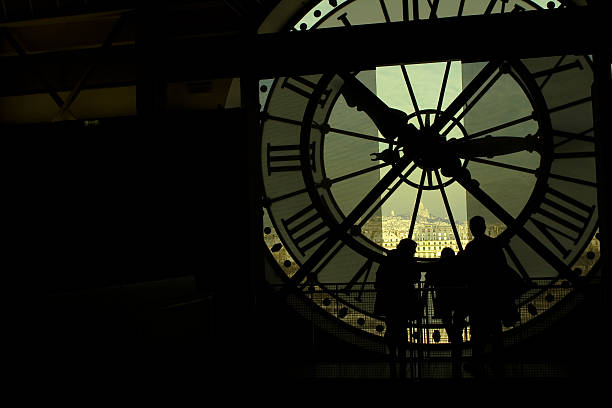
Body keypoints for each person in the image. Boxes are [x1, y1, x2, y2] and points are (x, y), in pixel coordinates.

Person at [462, 215, 506, 378]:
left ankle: (478, 363)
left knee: (478, 334)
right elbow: (502, 269)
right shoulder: (494, 246)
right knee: (496, 331)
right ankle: (498, 362)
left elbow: (466, 271)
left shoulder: (471, 248)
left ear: (472, 229)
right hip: (493, 296)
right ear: (485, 227)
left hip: (477, 297)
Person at [374, 238, 422, 379]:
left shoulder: (389, 261)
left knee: (392, 328)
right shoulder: (409, 262)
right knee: (401, 330)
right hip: (404, 301)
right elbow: (416, 277)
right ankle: (401, 357)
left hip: (390, 300)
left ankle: (393, 356)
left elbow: (380, 280)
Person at [425, 247, 468, 378]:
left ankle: (455, 343)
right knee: (457, 327)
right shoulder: (459, 266)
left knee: (450, 327)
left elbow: (429, 278)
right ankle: (457, 352)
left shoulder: (437, 266)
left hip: (443, 300)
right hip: (459, 300)